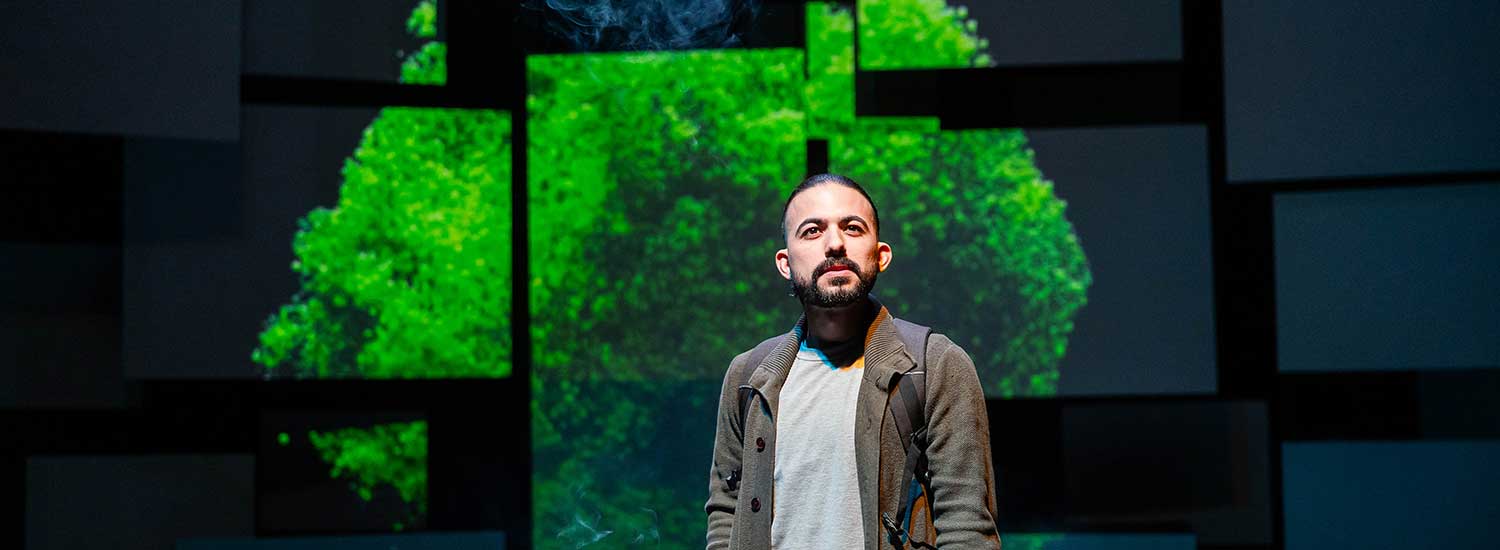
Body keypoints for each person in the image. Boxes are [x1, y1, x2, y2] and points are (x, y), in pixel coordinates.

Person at [705, 174, 1001, 549]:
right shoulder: (748, 376)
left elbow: (966, 527)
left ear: (881, 254)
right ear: (784, 262)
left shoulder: (934, 365)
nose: (834, 244)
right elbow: (726, 511)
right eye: (812, 231)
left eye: (853, 228)